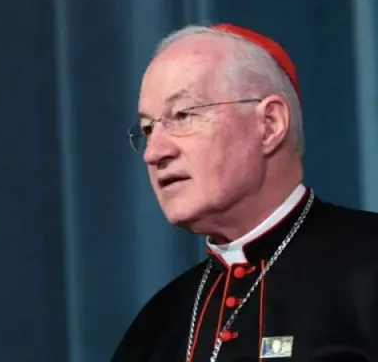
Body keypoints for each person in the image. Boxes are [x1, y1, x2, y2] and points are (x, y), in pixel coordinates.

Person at [111, 23, 378, 362]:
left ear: (269, 124)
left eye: (183, 115)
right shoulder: (158, 323)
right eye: (148, 129)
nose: (154, 152)